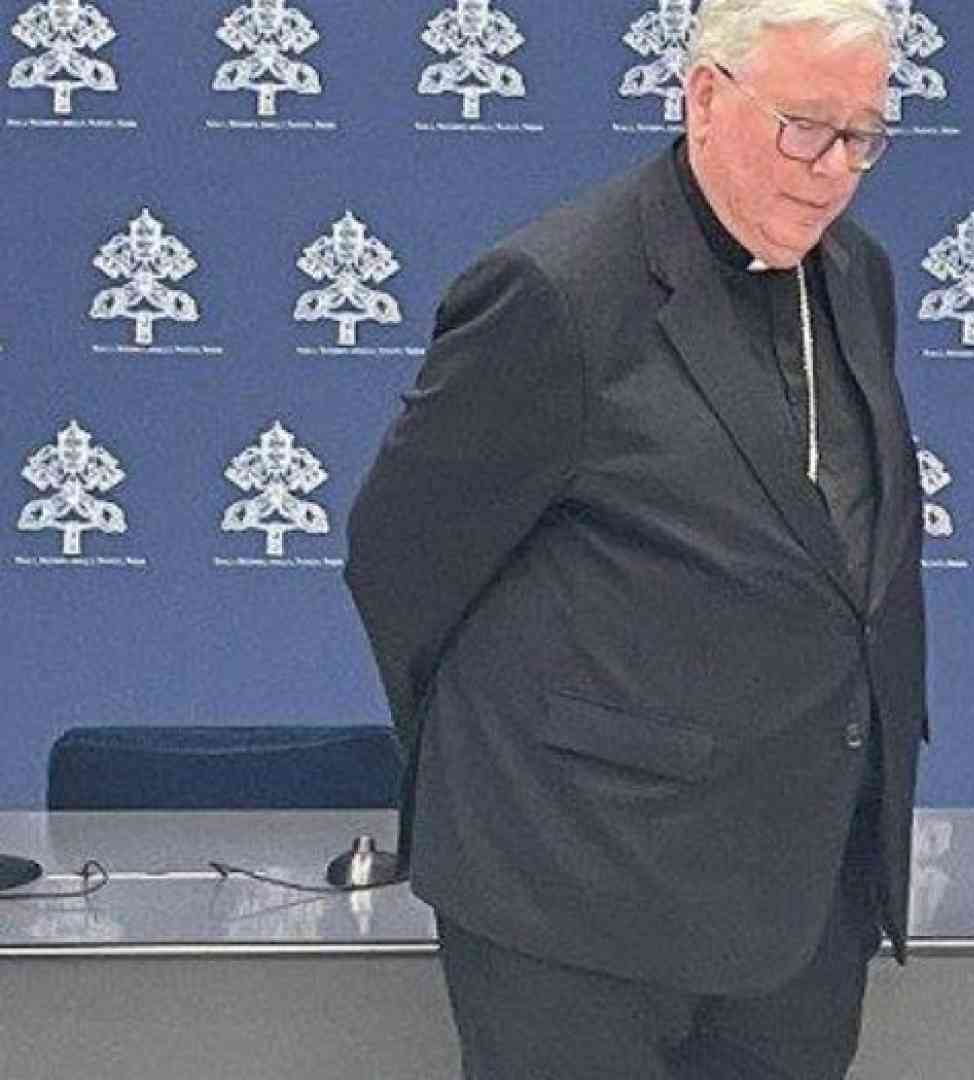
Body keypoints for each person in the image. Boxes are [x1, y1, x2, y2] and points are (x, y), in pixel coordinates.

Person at [344, 1, 926, 1075]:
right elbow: (401, 559)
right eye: (806, 127)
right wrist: (509, 776)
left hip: (798, 897)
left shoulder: (855, 274)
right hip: (574, 900)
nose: (834, 170)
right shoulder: (558, 291)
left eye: (863, 137)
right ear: (705, 97)